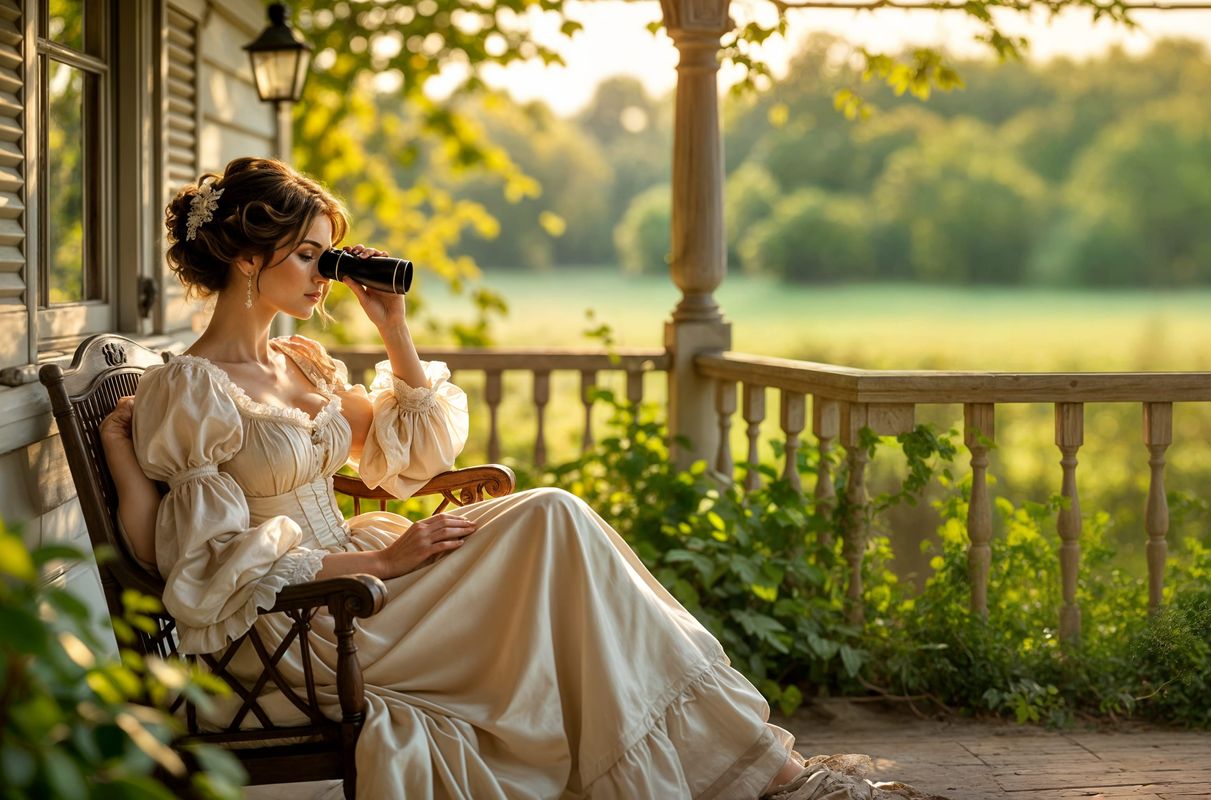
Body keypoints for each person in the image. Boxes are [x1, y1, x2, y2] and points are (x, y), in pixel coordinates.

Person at [96, 157, 939, 800]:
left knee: (557, 527)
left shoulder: (300, 363)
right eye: (311, 256)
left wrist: (394, 328)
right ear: (249, 258)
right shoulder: (189, 388)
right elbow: (194, 562)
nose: (327, 274)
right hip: (309, 622)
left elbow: (414, 455)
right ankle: (765, 776)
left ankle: (764, 769)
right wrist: (384, 562)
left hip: (366, 570)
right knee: (553, 524)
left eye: (328, 255)